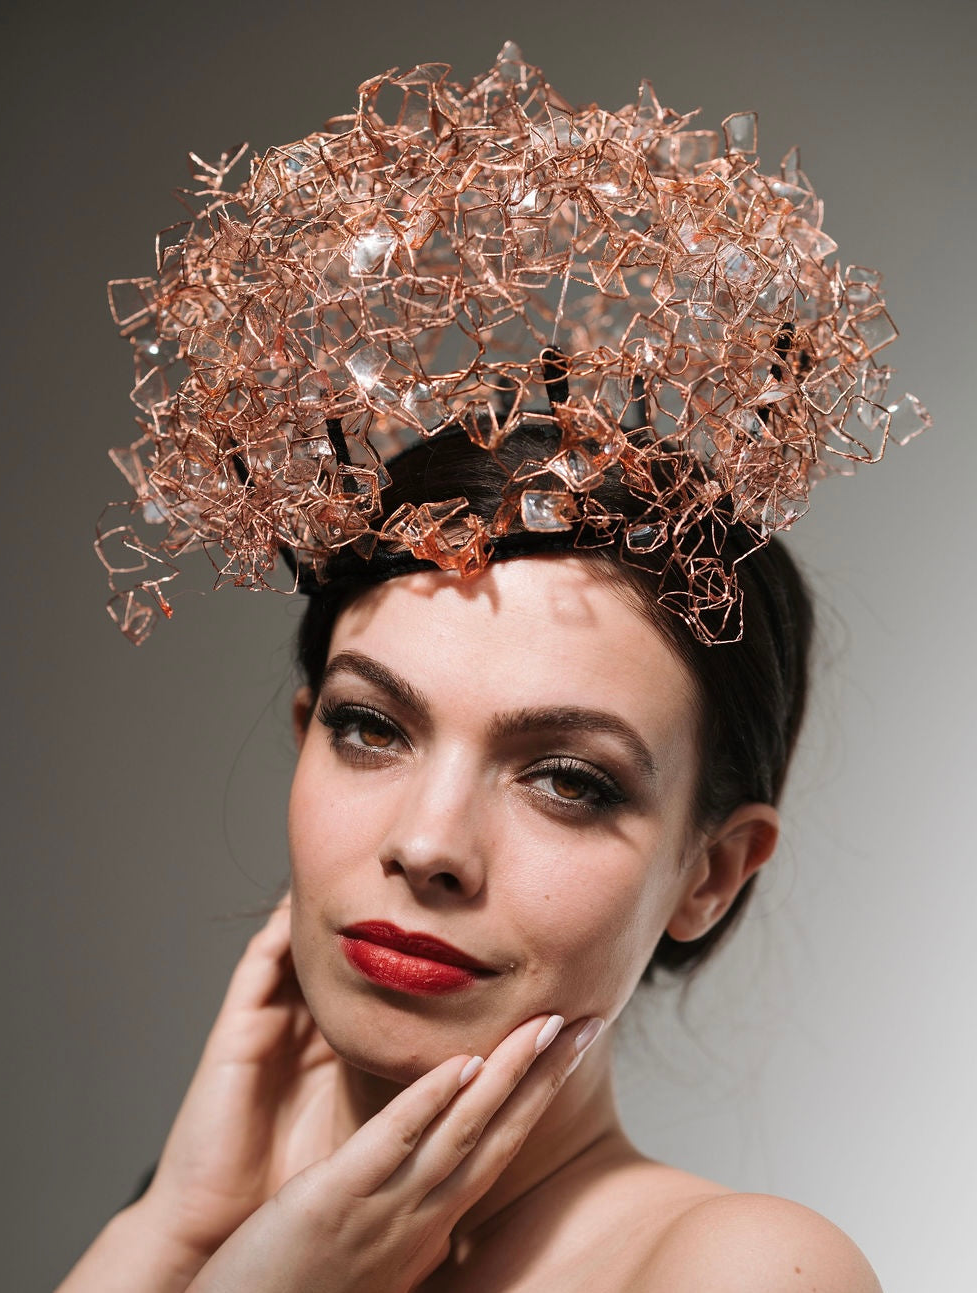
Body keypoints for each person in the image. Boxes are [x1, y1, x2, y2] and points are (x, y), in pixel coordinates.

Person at [67, 44, 926, 1291]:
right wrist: (170, 1237)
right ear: (303, 728)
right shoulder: (207, 1235)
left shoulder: (735, 1266)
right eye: (371, 728)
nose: (428, 844)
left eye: (567, 779)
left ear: (710, 872)